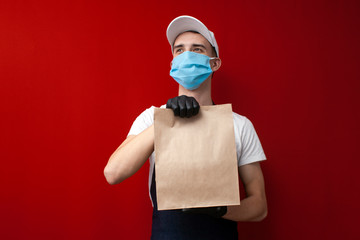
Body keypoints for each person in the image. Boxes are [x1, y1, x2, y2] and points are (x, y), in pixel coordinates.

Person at [104, 15, 268, 239]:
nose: (187, 55)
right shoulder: (151, 118)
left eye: (198, 49)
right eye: (179, 50)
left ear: (215, 63)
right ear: (172, 64)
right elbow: (113, 173)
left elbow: (260, 206)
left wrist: (220, 210)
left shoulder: (239, 125)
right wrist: (167, 120)